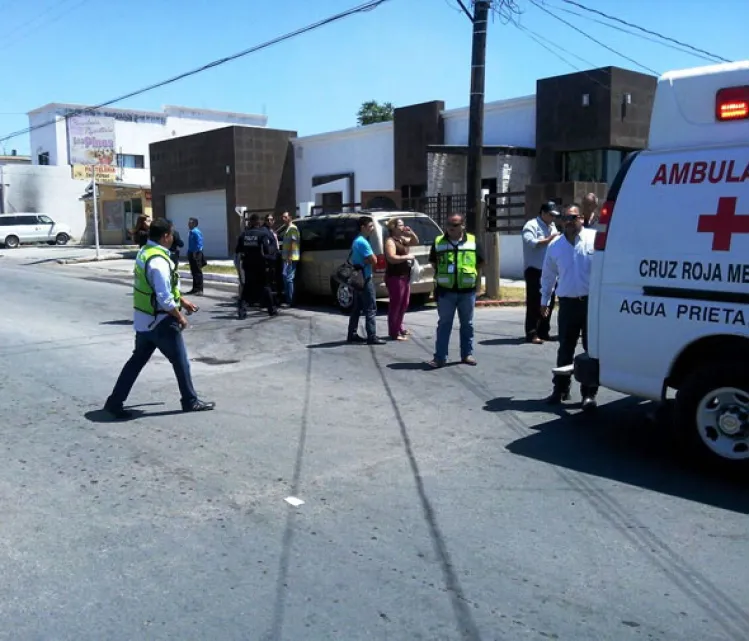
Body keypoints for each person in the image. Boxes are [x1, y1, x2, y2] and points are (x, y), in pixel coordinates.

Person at [104, 218, 215, 418]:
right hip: (161, 321)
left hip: (144, 320)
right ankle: (190, 401)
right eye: (172, 234)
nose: (173, 238)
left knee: (135, 362)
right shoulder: (159, 261)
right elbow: (164, 298)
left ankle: (114, 402)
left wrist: (182, 301)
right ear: (165, 236)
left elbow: (156, 289)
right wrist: (179, 316)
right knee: (181, 362)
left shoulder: (145, 253)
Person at [540, 204, 598, 410]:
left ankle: (589, 394)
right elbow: (548, 276)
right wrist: (544, 300)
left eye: (572, 218)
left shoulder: (595, 239)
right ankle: (560, 389)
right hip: (567, 304)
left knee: (591, 350)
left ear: (581, 218)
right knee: (565, 348)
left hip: (592, 304)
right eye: (564, 218)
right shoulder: (555, 246)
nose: (568, 222)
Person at [427, 213, 484, 368]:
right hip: (446, 292)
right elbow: (433, 262)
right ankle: (440, 357)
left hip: (467, 291)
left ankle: (467, 354)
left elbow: (480, 263)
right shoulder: (439, 242)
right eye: (449, 224)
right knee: (444, 324)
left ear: (462, 226)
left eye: (455, 225)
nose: (451, 228)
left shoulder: (472, 241)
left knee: (467, 324)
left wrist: (470, 278)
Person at [522, 201, 560, 344]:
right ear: (543, 213)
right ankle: (532, 332)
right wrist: (548, 239)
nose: (553, 218)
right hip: (534, 270)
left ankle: (544, 331)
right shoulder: (531, 225)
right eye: (551, 215)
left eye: (554, 216)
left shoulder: (552, 226)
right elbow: (531, 242)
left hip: (550, 270)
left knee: (548, 302)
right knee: (534, 302)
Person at [347, 216, 385, 345]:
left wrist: (368, 260)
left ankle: (352, 334)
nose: (372, 229)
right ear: (362, 227)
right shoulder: (363, 242)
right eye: (370, 226)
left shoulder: (357, 241)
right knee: (370, 307)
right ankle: (372, 335)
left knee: (357, 308)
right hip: (365, 278)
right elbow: (374, 260)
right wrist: (370, 260)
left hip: (358, 278)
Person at [236, 213, 278, 318]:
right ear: (259, 222)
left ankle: (242, 312)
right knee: (265, 287)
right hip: (260, 266)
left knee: (246, 289)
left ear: (250, 222)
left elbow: (238, 250)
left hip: (248, 266)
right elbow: (267, 250)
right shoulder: (262, 234)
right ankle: (272, 310)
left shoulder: (243, 235)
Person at [384, 217, 419, 340]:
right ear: (393, 228)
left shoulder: (402, 239)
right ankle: (393, 332)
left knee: (404, 303)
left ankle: (399, 327)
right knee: (396, 304)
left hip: (405, 276)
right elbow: (391, 258)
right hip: (395, 277)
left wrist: (411, 233)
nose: (402, 227)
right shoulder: (390, 241)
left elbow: (415, 241)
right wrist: (407, 257)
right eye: (400, 225)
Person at [280, 211, 300, 306]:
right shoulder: (287, 229)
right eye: (283, 217)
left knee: (289, 278)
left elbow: (293, 243)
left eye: (285, 217)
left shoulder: (293, 228)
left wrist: (290, 256)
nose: (283, 219)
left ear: (290, 217)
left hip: (291, 258)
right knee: (285, 278)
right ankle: (287, 299)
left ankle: (291, 301)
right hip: (286, 258)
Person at [186, 217, 205, 296]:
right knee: (193, 272)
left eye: (190, 222)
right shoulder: (191, 232)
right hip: (191, 253)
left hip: (196, 253)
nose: (188, 224)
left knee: (198, 272)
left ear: (194, 223)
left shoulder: (196, 232)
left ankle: (200, 289)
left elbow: (199, 243)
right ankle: (194, 288)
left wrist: (195, 253)